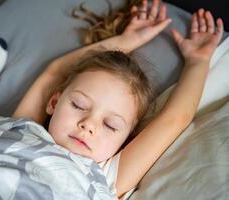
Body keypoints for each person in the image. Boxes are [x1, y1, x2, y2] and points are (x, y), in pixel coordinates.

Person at [13, 0, 224, 198]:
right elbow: (54, 72)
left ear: (126, 140)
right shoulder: (22, 128)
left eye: (110, 125)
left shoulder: (105, 177)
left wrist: (198, 62)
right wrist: (125, 41)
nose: (88, 125)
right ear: (53, 102)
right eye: (79, 105)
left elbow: (174, 120)